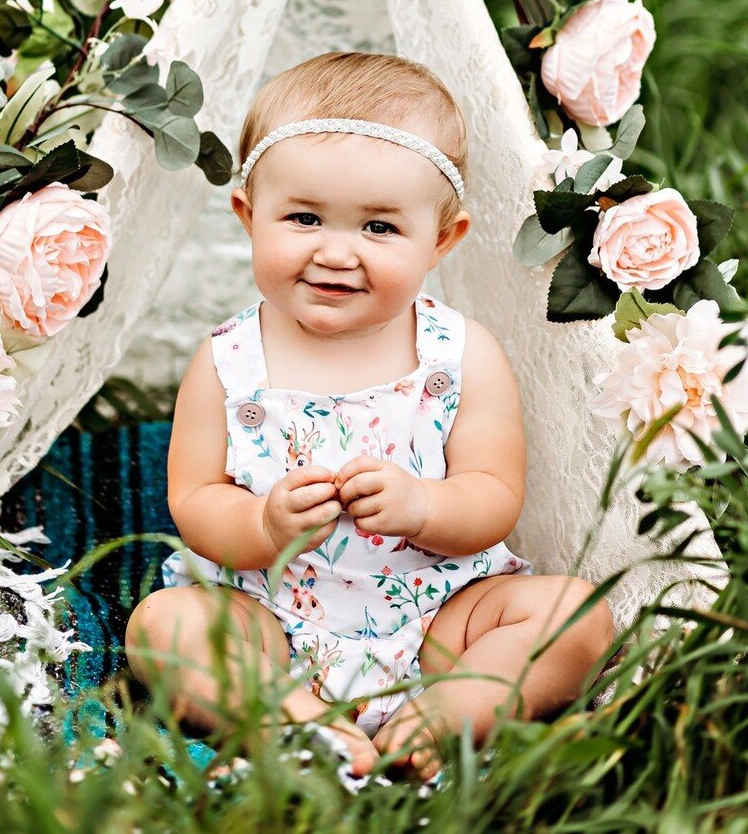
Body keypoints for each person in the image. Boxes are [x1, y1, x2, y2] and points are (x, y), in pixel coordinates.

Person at [125, 52, 615, 780]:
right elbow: (195, 499)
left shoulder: (461, 355)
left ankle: (445, 711)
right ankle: (291, 719)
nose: (335, 250)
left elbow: (494, 494)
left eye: (380, 228)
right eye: (303, 217)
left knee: (580, 616)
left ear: (441, 239)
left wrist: (423, 504)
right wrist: (262, 525)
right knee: (161, 626)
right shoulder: (228, 360)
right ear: (248, 215)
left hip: (440, 615)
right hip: (272, 618)